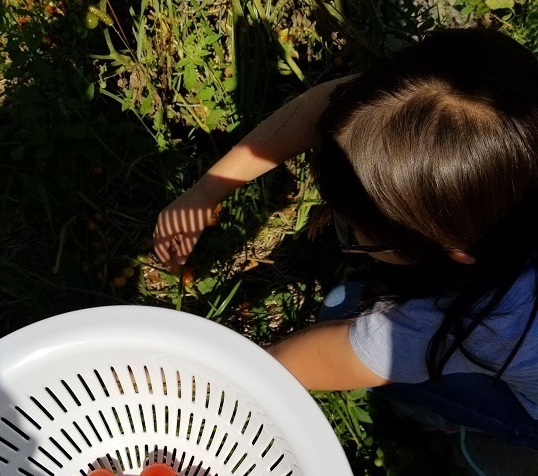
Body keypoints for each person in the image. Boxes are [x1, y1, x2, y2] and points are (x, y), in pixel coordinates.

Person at [153, 26, 538, 450]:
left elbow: (286, 363)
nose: (341, 234)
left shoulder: (486, 320)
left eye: (356, 234)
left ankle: (462, 415)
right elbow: (351, 114)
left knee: (341, 305)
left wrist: (175, 375)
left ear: (460, 253)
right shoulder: (503, 126)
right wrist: (207, 190)